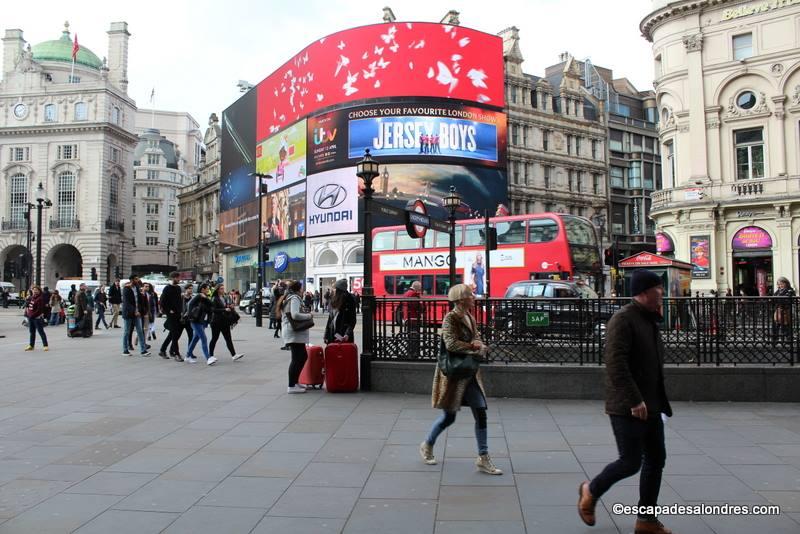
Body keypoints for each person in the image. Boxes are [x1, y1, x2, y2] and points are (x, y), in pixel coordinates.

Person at [578, 269, 673, 534]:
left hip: (652, 405)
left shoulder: (649, 319)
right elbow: (615, 364)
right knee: (631, 462)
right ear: (643, 292)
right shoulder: (623, 319)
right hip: (627, 406)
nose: (662, 294)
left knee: (656, 460)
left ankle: (646, 520)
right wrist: (634, 399)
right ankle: (590, 490)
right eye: (658, 289)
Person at [420, 284, 501, 475]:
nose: (474, 298)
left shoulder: (470, 317)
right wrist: (473, 346)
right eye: (470, 295)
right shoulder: (451, 318)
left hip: (469, 373)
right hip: (454, 374)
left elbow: (476, 338)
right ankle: (427, 444)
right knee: (449, 417)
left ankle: (483, 456)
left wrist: (480, 345)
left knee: (480, 411)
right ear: (461, 299)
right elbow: (450, 343)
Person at [282, 280, 313, 393]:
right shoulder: (294, 298)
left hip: (294, 333)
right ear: (298, 289)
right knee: (296, 358)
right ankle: (291, 385)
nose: (303, 290)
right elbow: (294, 314)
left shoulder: (291, 297)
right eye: (302, 288)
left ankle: (295, 382)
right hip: (293, 332)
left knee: (302, 356)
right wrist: (308, 316)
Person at [210, 284, 244, 362]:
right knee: (214, 339)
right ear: (217, 290)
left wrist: (229, 306)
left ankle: (234, 355)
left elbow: (224, 306)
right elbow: (213, 310)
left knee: (228, 339)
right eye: (221, 289)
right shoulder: (214, 298)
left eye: (223, 288)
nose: (223, 290)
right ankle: (210, 356)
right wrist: (224, 309)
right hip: (216, 322)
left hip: (224, 321)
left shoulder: (223, 297)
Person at [185, 282, 214, 365]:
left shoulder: (205, 297)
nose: (208, 290)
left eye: (208, 289)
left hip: (202, 321)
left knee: (195, 339)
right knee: (204, 338)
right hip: (195, 320)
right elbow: (189, 304)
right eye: (207, 289)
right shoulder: (198, 296)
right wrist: (190, 316)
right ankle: (208, 358)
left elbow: (210, 306)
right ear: (202, 289)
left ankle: (187, 356)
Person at [159, 272, 185, 361]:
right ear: (173, 278)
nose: (179, 279)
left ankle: (162, 350)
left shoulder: (178, 288)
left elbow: (179, 301)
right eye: (178, 278)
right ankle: (176, 353)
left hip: (178, 314)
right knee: (174, 334)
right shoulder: (167, 288)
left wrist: (181, 311)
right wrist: (168, 310)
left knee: (173, 334)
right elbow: (162, 302)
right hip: (171, 315)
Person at [122, 276, 150, 356]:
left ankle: (143, 350)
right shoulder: (126, 289)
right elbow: (126, 303)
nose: (138, 280)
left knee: (140, 331)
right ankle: (125, 350)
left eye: (138, 279)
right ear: (131, 280)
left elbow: (140, 300)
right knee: (126, 332)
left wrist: (141, 311)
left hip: (137, 314)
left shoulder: (137, 287)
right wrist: (134, 311)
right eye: (136, 279)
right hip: (129, 313)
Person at [323, 279, 357, 344]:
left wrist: (347, 334)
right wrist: (326, 335)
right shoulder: (333, 299)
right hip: (332, 333)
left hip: (343, 335)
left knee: (343, 353)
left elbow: (352, 320)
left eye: (335, 288)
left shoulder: (349, 300)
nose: (333, 290)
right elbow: (330, 319)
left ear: (339, 290)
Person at [24, 285, 49, 351]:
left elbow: (39, 310)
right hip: (31, 317)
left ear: (39, 291)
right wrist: (27, 299)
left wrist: (33, 315)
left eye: (36, 290)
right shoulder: (31, 298)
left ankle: (45, 345)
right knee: (32, 332)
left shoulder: (40, 298)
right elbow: (28, 306)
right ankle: (31, 345)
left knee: (41, 332)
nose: (35, 291)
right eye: (33, 290)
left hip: (37, 318)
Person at [772, 276, 795, 344]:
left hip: (786, 310)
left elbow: (788, 299)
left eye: (781, 284)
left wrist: (778, 299)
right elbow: (774, 298)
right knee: (776, 324)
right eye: (778, 284)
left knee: (786, 325)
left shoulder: (790, 290)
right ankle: (775, 340)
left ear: (786, 283)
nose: (780, 285)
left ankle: (788, 339)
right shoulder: (778, 290)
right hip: (778, 310)